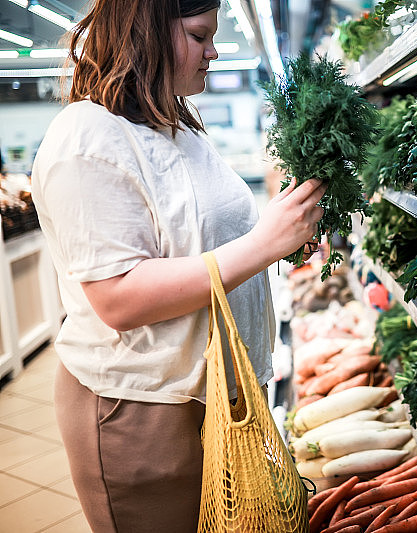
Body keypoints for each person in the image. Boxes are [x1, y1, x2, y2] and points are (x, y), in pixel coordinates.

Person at [30, 0, 325, 531]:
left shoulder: (176, 126)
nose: (213, 50)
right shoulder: (87, 139)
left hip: (210, 395)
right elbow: (119, 298)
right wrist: (262, 244)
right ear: (145, 33)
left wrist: (283, 235)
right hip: (144, 410)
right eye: (198, 35)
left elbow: (197, 238)